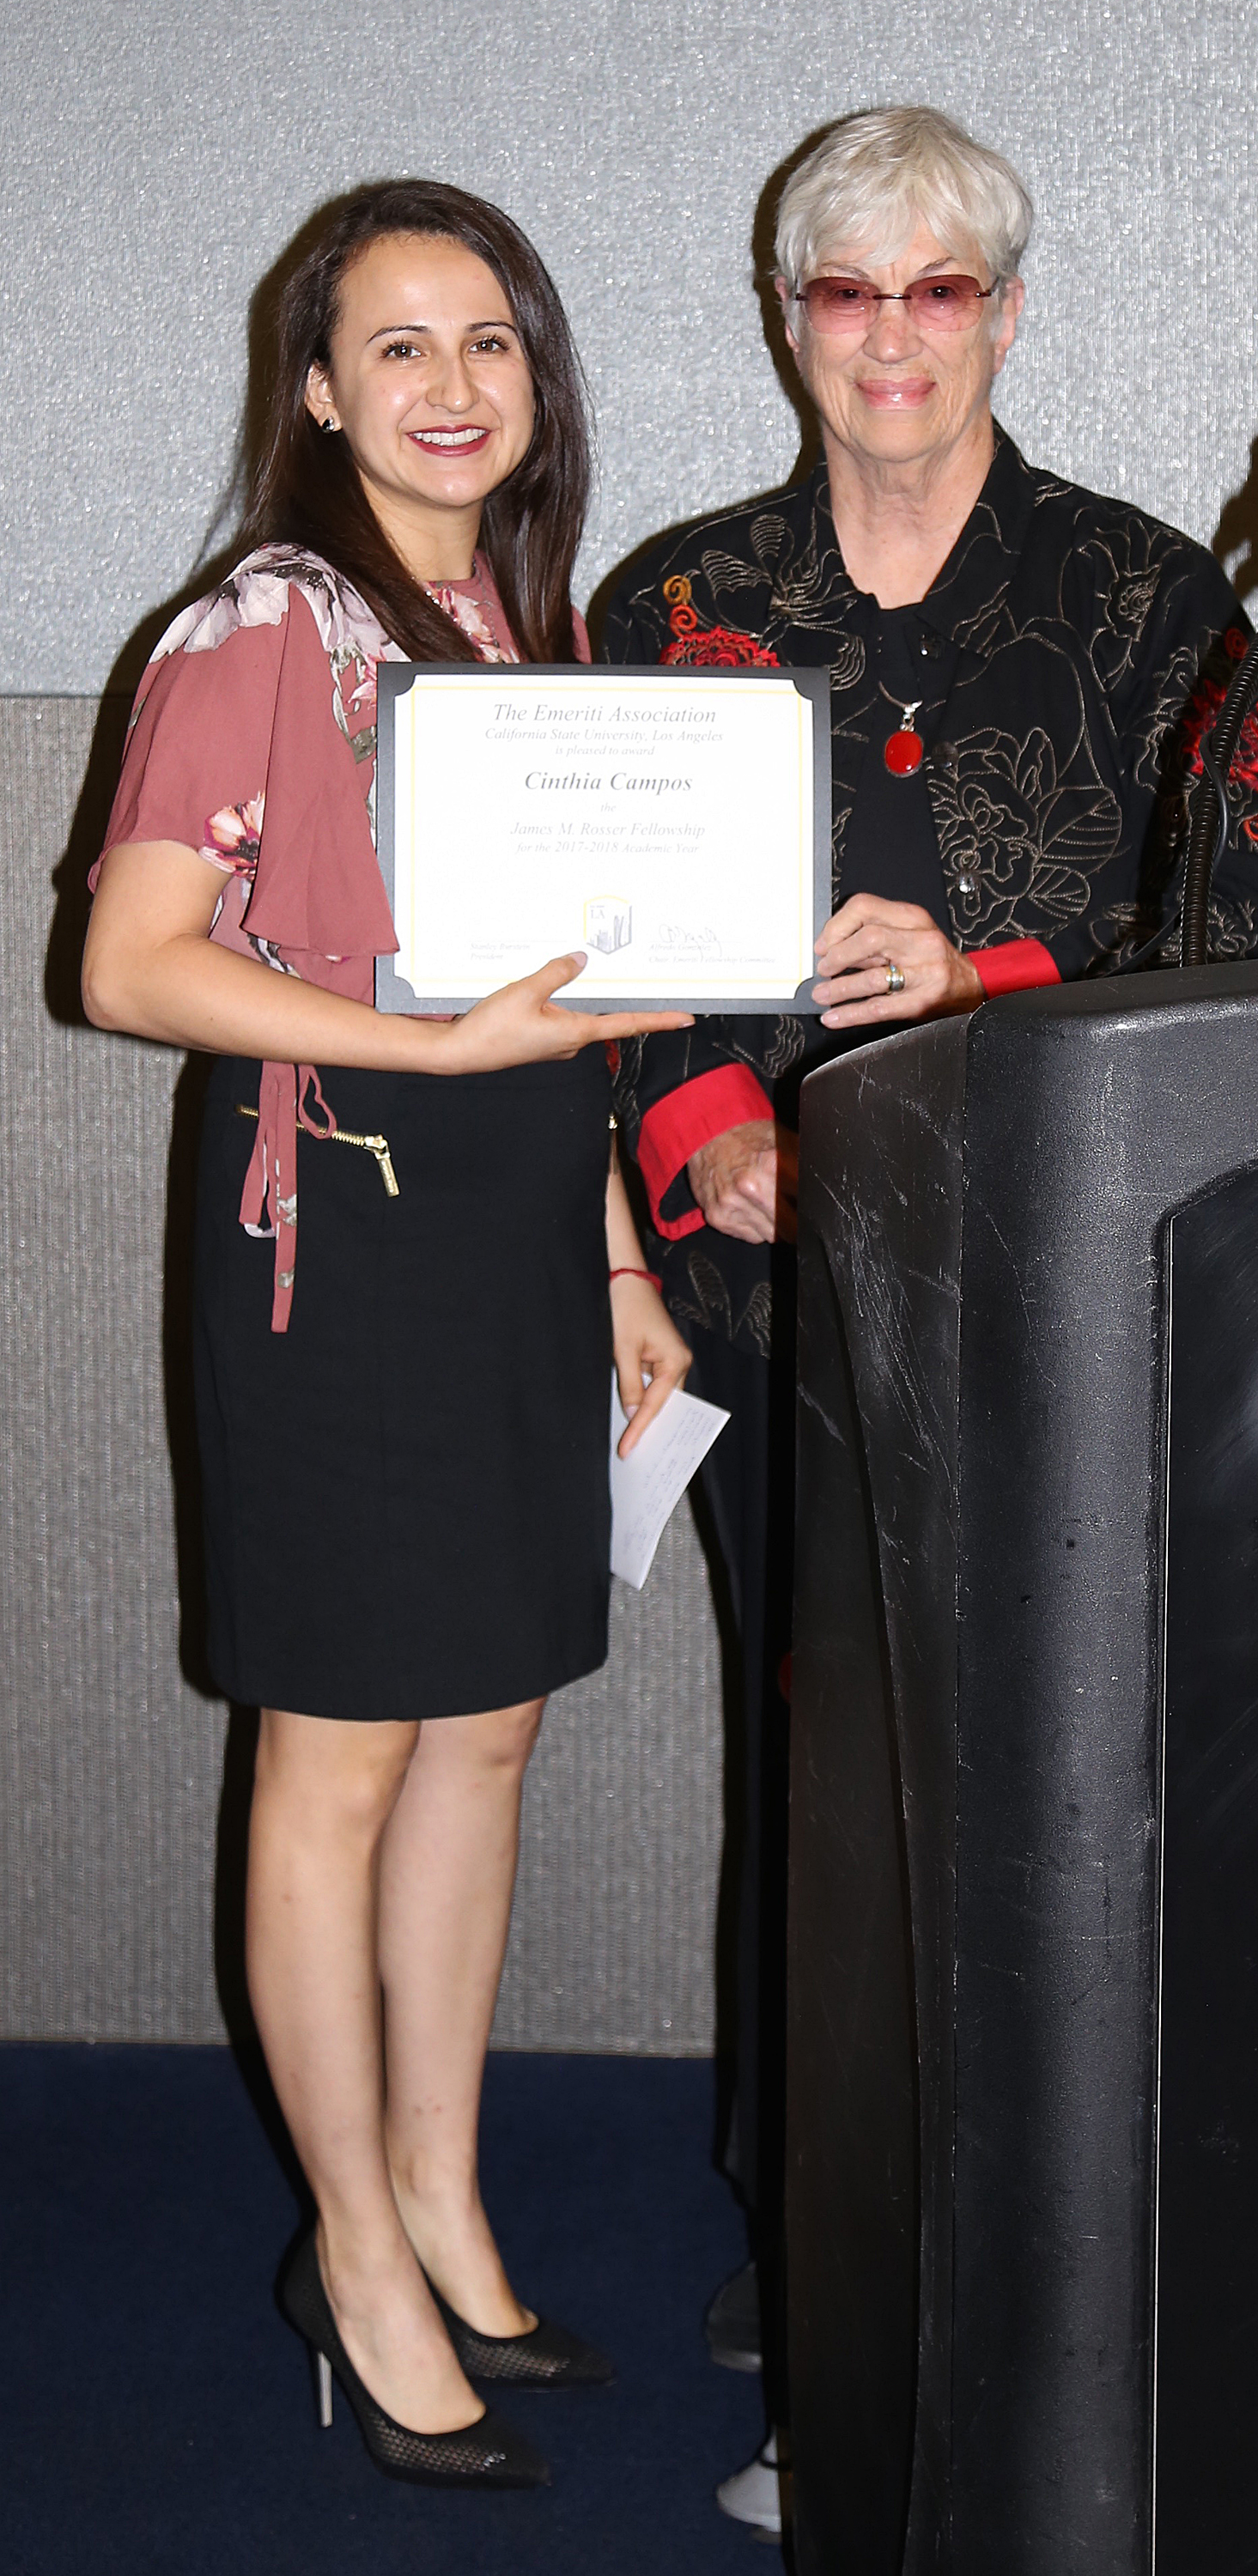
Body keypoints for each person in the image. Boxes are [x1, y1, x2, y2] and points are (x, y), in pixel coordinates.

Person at [600, 104, 1258, 2533]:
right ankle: (806, 2217)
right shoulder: (676, 596)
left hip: (1059, 1304)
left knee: (1022, 1797)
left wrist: (993, 975)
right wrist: (707, 1118)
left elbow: (1251, 889)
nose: (894, 337)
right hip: (769, 1279)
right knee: (814, 1765)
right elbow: (588, 935)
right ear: (787, 318)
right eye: (848, 292)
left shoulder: (1146, 598)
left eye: (941, 290)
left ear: (1004, 312)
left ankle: (993, 2259)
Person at [82, 179, 693, 2494]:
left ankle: (441, 2188)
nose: (453, 386)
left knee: (491, 1732)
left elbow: (559, 1005)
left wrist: (623, 1261)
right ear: (317, 386)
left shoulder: (501, 624)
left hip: (517, 1246)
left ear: (534, 386)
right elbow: (131, 965)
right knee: (337, 1762)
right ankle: (347, 2247)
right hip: (334, 1246)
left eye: (492, 345)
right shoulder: (267, 622)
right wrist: (432, 1059)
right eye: (401, 345)